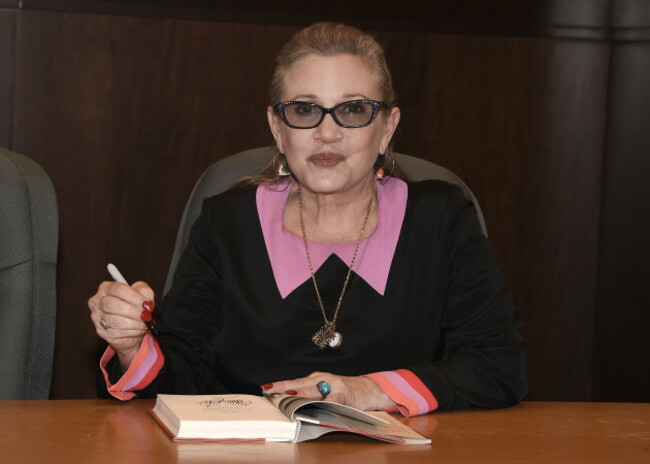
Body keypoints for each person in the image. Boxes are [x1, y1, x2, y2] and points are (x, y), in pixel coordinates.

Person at [88, 22, 526, 415]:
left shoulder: (441, 219)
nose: (327, 132)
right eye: (304, 110)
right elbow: (181, 380)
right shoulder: (228, 224)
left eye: (353, 109)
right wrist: (132, 346)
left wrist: (367, 392)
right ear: (278, 129)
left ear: (387, 128)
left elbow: (498, 367)